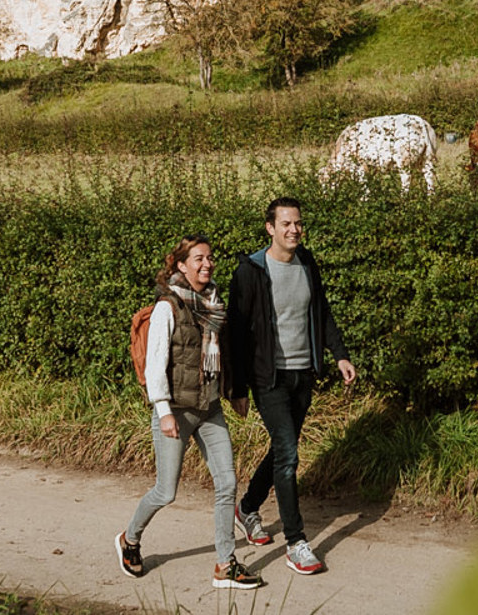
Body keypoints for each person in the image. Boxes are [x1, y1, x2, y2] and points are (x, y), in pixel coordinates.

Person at [117, 235, 265, 590]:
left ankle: (224, 565)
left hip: (209, 407)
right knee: (166, 491)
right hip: (177, 412)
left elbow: (221, 354)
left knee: (227, 482)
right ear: (181, 266)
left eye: (210, 258)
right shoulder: (169, 307)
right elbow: (156, 366)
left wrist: (233, 393)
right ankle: (130, 540)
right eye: (198, 259)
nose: (207, 264)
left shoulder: (213, 303)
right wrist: (164, 412)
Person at [224, 197, 357, 575]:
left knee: (285, 450)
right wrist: (236, 389)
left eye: (298, 223)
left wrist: (340, 354)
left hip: (303, 374)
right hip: (269, 378)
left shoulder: (307, 262)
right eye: (286, 224)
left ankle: (248, 508)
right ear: (270, 228)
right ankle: (296, 541)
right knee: (289, 454)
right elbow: (235, 332)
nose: (294, 230)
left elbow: (322, 310)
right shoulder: (251, 270)